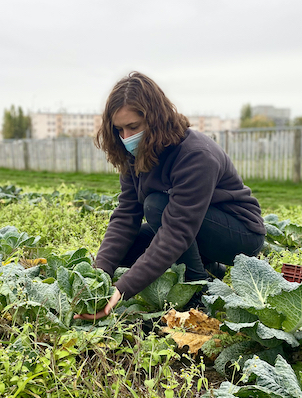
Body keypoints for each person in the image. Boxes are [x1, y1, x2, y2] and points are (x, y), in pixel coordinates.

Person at [74, 72, 266, 321]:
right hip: (193, 228)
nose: (126, 137)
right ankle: (207, 264)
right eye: (119, 129)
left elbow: (177, 231)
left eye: (133, 127)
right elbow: (126, 215)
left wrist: (122, 290)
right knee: (125, 251)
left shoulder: (196, 154)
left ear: (155, 119)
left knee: (156, 206)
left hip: (238, 236)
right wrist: (100, 273)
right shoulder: (135, 155)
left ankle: (198, 288)